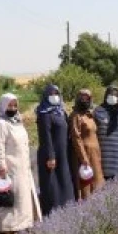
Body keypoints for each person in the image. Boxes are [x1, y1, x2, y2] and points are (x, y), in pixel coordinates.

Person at [0, 93, 40, 233]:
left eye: (14, 105)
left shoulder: (17, 121)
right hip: (10, 165)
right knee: (13, 194)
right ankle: (8, 226)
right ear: (3, 106)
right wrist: (2, 165)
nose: (12, 108)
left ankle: (23, 223)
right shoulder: (1, 123)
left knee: (23, 195)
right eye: (9, 105)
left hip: (22, 164)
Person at [36, 84, 74, 216]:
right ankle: (53, 212)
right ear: (46, 96)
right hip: (50, 155)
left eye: (56, 93)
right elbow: (45, 136)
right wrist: (50, 156)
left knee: (64, 181)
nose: (54, 96)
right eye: (50, 94)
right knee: (52, 184)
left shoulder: (61, 112)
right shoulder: (44, 114)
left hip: (62, 153)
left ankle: (66, 210)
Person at [69, 88, 105, 199]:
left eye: (87, 98)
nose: (84, 100)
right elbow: (76, 138)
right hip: (85, 156)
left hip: (95, 154)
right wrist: (84, 158)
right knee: (86, 183)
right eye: (82, 98)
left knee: (97, 182)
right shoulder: (76, 116)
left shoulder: (90, 115)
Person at [95, 85, 118, 181]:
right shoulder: (97, 111)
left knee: (116, 181)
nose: (112, 97)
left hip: (117, 155)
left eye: (115, 95)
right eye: (110, 94)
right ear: (105, 96)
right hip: (103, 153)